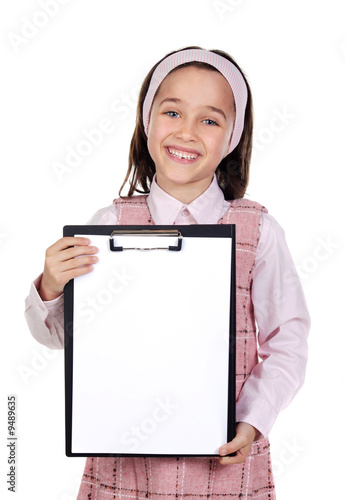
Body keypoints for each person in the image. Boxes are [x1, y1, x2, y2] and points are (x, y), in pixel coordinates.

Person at [25, 46, 310, 499]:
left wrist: (254, 419)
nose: (187, 132)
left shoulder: (258, 231)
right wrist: (52, 287)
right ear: (146, 120)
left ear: (233, 136)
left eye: (210, 120)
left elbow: (287, 340)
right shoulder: (107, 225)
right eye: (173, 111)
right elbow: (66, 338)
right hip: (123, 466)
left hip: (224, 459)